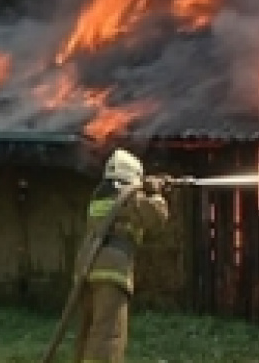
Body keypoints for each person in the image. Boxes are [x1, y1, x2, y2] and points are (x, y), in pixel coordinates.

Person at [73, 148, 169, 362]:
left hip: (87, 270)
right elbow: (157, 215)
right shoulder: (126, 196)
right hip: (111, 273)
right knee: (109, 335)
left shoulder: (100, 194)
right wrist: (155, 192)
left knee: (89, 331)